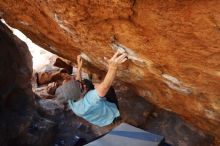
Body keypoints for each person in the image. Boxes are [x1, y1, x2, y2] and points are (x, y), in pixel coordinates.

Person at [55, 52, 128, 126]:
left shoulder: (70, 98)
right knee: (109, 89)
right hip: (109, 117)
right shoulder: (89, 100)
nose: (84, 85)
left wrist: (79, 67)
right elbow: (105, 86)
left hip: (96, 116)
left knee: (86, 82)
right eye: (82, 88)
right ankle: (116, 117)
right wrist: (113, 66)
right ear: (79, 95)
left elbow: (78, 83)